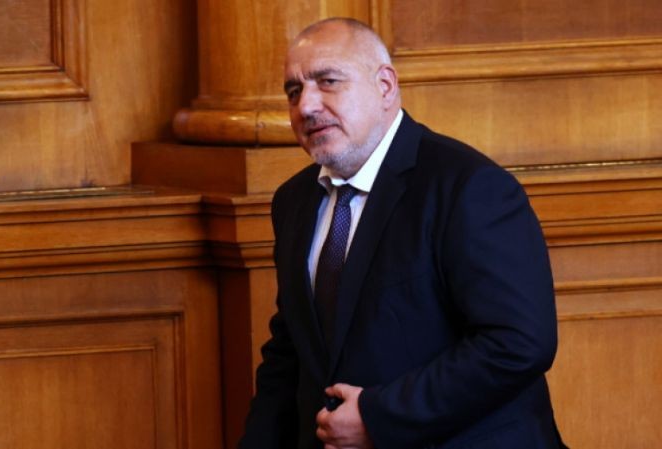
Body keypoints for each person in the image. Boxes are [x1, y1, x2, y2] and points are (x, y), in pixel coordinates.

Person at [238, 17, 567, 449]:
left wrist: (379, 418)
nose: (306, 106)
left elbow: (519, 343)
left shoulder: (469, 186)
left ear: (385, 86)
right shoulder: (293, 201)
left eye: (328, 81)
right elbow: (291, 352)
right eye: (294, 91)